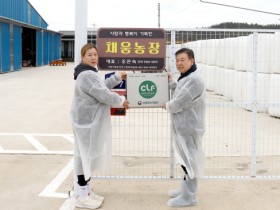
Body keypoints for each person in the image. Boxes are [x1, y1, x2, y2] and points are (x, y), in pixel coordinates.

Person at [70, 43, 129, 209]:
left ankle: (86, 190)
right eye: (89, 55)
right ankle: (82, 195)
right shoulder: (87, 75)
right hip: (86, 123)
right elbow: (102, 94)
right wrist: (121, 101)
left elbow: (100, 87)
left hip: (88, 121)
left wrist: (117, 77)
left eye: (95, 54)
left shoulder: (89, 73)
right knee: (83, 157)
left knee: (86, 157)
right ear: (82, 57)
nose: (93, 57)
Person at [163, 48, 205, 207]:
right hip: (184, 126)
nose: (179, 63)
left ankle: (190, 197)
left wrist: (166, 105)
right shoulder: (187, 77)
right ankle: (185, 191)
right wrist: (171, 82)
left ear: (192, 60)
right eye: (177, 60)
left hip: (190, 127)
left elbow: (180, 101)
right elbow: (180, 92)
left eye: (183, 60)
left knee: (189, 161)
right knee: (185, 160)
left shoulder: (194, 79)